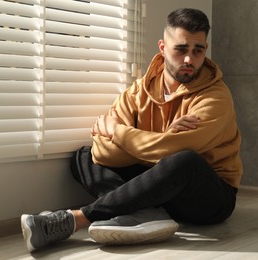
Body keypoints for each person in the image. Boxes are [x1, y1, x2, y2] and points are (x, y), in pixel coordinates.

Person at [20, 8, 243, 252]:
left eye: (198, 50)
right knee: (84, 156)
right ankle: (147, 213)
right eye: (181, 49)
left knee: (185, 160)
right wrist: (164, 141)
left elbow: (175, 153)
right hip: (157, 186)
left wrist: (119, 133)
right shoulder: (138, 91)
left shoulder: (215, 97)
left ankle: (76, 219)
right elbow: (103, 153)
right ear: (162, 47)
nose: (189, 59)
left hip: (208, 197)